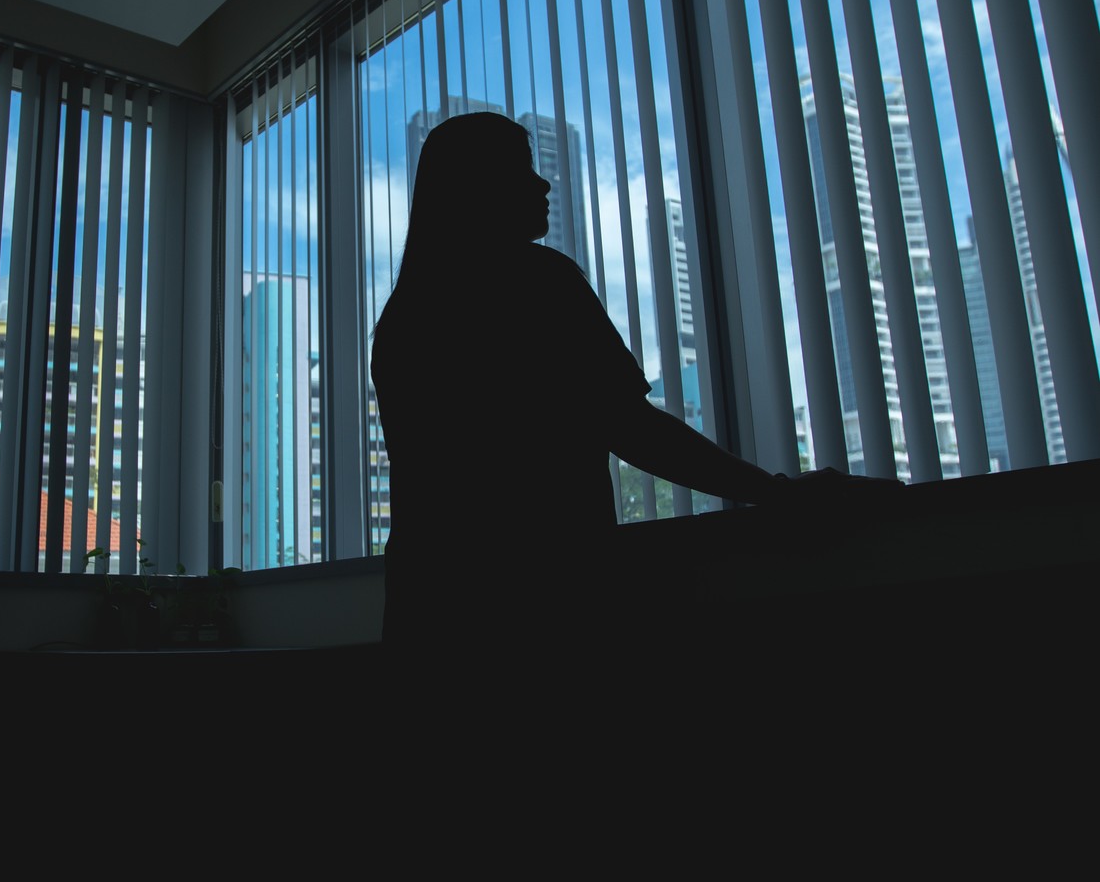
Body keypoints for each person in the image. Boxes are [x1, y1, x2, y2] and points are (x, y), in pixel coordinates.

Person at [369, 111, 901, 654]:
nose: (544, 182)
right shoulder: (538, 284)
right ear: (479, 188)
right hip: (544, 606)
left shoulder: (401, 321)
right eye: (521, 170)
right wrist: (776, 493)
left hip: (428, 612)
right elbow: (631, 428)